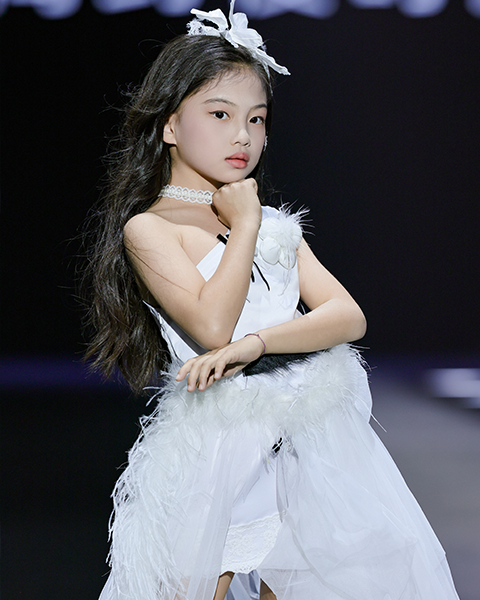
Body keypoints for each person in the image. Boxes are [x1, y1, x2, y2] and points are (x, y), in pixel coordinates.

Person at [83, 3, 460, 599]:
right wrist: (245, 223)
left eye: (256, 119)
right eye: (220, 114)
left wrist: (258, 343)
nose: (242, 135)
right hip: (217, 446)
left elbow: (348, 316)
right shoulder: (151, 229)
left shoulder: (275, 224)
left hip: (312, 443)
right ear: (170, 125)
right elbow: (213, 326)